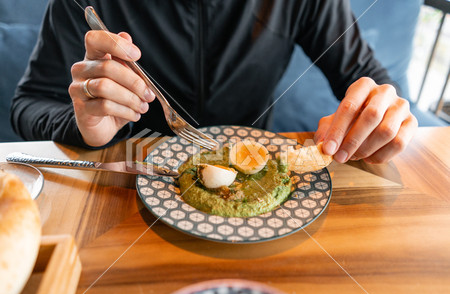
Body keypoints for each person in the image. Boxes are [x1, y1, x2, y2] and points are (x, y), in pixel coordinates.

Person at [11, 0, 417, 164]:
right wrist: (85, 126)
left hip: (258, 192)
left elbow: (371, 82)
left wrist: (381, 114)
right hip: (128, 195)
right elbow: (29, 103)